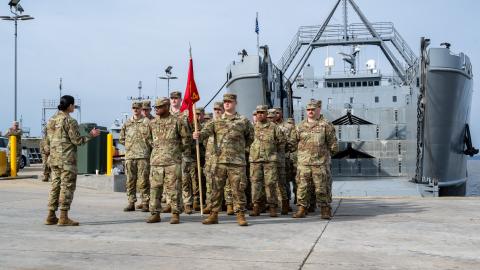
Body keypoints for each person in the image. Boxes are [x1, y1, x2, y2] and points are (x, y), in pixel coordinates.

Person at [193, 93, 254, 226]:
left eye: (230, 102)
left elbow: (251, 137)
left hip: (237, 162)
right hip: (219, 161)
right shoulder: (216, 121)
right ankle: (214, 214)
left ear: (235, 103)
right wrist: (198, 134)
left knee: (238, 189)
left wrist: (239, 148)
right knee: (216, 189)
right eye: (225, 101)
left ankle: (240, 215)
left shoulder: (243, 121)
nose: (227, 104)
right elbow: (205, 133)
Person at [44, 95, 100, 226]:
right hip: (67, 160)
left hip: (54, 159)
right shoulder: (70, 121)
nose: (74, 107)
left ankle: (51, 215)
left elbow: (46, 141)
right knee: (67, 187)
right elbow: (77, 140)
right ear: (69, 106)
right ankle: (63, 217)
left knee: (55, 186)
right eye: (73, 105)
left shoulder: (51, 120)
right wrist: (91, 135)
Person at [146, 97, 191, 224]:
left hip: (173, 161)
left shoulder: (177, 121)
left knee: (174, 188)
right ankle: (155, 213)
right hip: (156, 161)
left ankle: (175, 214)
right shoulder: (152, 123)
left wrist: (177, 151)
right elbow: (148, 139)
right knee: (155, 189)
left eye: (159, 107)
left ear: (166, 107)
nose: (156, 109)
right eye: (156, 107)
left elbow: (186, 139)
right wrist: (157, 149)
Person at [292, 100, 337, 219]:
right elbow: (293, 143)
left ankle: (325, 209)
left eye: (313, 109)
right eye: (308, 109)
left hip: (320, 163)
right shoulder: (300, 126)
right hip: (304, 163)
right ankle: (301, 208)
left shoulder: (326, 125)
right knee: (302, 187)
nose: (310, 111)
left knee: (322, 186)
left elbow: (333, 144)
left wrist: (326, 157)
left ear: (319, 109)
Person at [249, 105, 284, 217]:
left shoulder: (273, 127)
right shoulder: (251, 127)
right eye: (258, 112)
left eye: (262, 112)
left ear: (266, 114)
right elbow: (246, 141)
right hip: (255, 160)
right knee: (255, 184)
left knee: (271, 184)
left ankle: (272, 207)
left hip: (270, 160)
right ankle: (256, 207)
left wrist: (273, 152)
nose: (260, 114)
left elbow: (281, 141)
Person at [119, 101, 151, 212]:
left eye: (137, 108)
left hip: (143, 156)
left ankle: (145, 202)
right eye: (134, 108)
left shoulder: (147, 122)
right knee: (130, 180)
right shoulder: (127, 123)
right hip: (130, 156)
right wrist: (130, 146)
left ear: (141, 108)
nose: (135, 110)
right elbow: (121, 138)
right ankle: (131, 202)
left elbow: (152, 138)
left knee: (144, 181)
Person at [203, 102, 224, 214]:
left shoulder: (227, 123)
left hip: (222, 159)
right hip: (210, 159)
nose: (217, 111)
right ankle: (209, 204)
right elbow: (204, 141)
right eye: (215, 109)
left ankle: (228, 205)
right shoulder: (210, 124)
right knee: (209, 183)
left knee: (225, 186)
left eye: (219, 109)